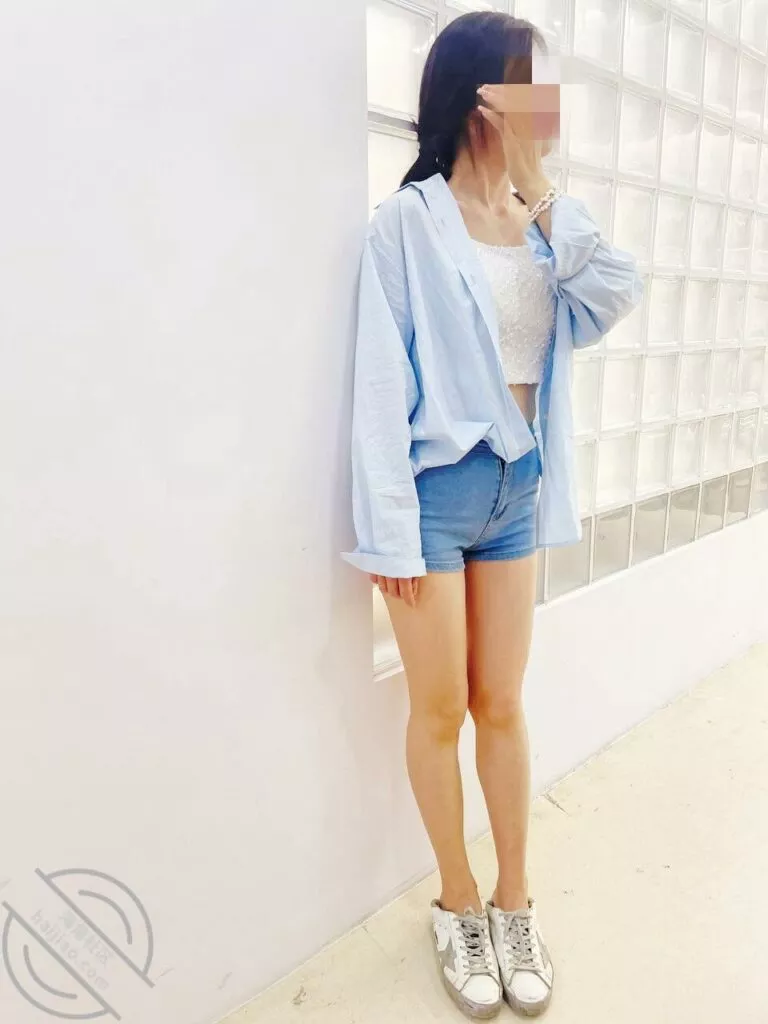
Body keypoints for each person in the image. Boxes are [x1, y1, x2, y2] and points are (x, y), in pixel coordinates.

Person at [341, 11, 642, 1019]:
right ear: (484, 99)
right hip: (437, 495)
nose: (549, 106)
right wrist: (386, 526)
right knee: (438, 711)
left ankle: (516, 901)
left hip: (520, 489)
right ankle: (458, 902)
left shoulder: (545, 222)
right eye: (532, 86)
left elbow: (617, 294)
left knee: (501, 704)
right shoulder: (405, 224)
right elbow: (380, 386)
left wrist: (541, 191)